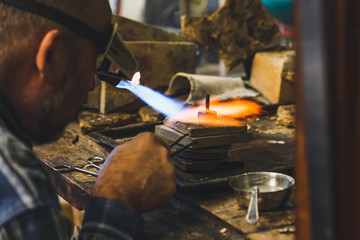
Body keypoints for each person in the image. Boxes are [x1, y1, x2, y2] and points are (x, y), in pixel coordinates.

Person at [0, 0, 176, 239]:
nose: (93, 84)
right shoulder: (20, 191)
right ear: (52, 56)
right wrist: (116, 200)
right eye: (93, 60)